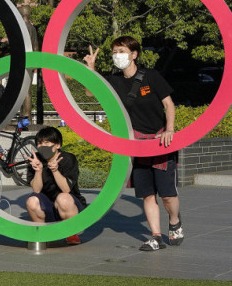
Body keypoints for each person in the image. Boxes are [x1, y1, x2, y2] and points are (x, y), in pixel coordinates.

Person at [84, 36, 182, 251]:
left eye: (121, 50)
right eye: (114, 52)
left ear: (134, 54)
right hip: (136, 144)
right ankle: (156, 236)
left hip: (159, 140)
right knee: (147, 193)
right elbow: (91, 92)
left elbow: (169, 104)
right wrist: (90, 69)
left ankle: (174, 221)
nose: (117, 55)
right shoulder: (115, 80)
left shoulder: (151, 76)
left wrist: (170, 129)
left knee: (167, 195)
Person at [25, 127, 86, 245]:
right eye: (39, 143)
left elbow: (66, 189)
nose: (42, 146)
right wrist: (38, 171)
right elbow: (36, 189)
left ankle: (71, 233)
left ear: (57, 145)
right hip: (48, 206)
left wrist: (55, 170)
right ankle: (42, 233)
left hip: (70, 205)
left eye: (47, 142)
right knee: (31, 201)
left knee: (63, 198)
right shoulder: (35, 159)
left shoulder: (67, 159)